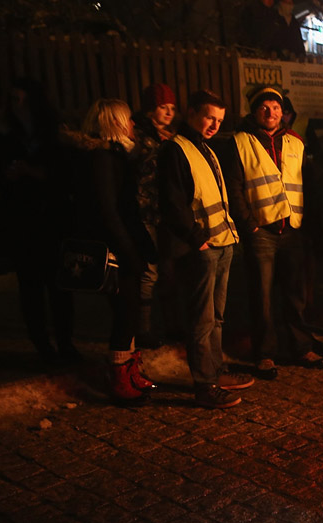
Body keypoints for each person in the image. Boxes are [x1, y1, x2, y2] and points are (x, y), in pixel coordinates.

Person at [218, 85, 323, 380]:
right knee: (261, 297)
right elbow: (234, 186)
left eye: (276, 107)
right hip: (261, 231)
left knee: (295, 294)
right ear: (254, 111)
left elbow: (307, 185)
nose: (271, 112)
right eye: (264, 107)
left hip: (292, 229)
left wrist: (310, 225)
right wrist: (248, 223)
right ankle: (264, 354)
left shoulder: (295, 142)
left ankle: (301, 347)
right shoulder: (240, 142)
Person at [158, 90, 253, 409]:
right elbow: (173, 201)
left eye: (219, 120)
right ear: (191, 113)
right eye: (209, 117)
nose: (214, 125)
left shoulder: (205, 148)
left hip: (220, 243)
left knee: (216, 317)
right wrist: (196, 237)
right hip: (202, 247)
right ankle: (205, 384)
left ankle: (215, 371)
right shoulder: (176, 149)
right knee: (201, 319)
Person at [0, 78, 78, 364]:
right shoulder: (2, 135)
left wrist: (35, 172)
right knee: (30, 286)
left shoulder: (51, 134)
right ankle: (42, 346)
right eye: (13, 99)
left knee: (60, 285)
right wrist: (8, 175)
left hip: (52, 219)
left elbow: (66, 175)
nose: (18, 106)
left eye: (23, 99)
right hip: (21, 220)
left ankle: (66, 344)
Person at [76, 99, 158, 403]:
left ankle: (130, 370)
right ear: (114, 122)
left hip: (125, 242)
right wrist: (129, 251)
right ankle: (120, 376)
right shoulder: (103, 158)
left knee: (131, 309)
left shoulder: (117, 155)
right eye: (127, 119)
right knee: (125, 311)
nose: (133, 124)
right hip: (115, 247)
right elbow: (110, 211)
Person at [132, 83, 178, 349]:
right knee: (149, 272)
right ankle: (143, 328)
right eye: (163, 107)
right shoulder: (140, 137)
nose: (169, 112)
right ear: (151, 109)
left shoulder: (172, 137)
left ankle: (172, 324)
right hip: (146, 211)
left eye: (172, 107)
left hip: (167, 215)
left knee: (169, 271)